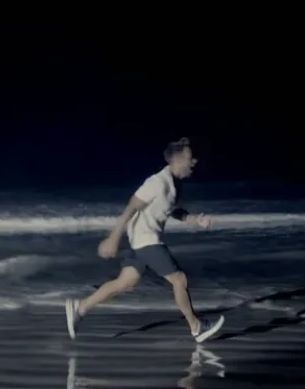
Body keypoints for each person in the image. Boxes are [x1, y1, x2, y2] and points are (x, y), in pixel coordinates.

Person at [64, 138, 224, 343]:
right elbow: (132, 206)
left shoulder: (175, 185)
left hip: (141, 241)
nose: (194, 162)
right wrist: (113, 238)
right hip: (147, 240)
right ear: (177, 160)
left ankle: (80, 307)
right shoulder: (158, 182)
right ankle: (196, 327)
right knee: (179, 280)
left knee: (125, 282)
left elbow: (174, 211)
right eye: (190, 159)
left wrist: (195, 220)